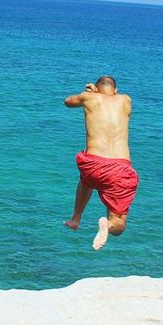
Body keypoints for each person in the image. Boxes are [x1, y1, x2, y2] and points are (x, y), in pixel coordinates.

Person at [63, 76, 139, 250]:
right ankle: (108, 225)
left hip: (93, 165)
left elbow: (67, 101)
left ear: (96, 88)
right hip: (119, 168)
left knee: (86, 179)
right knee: (119, 224)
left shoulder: (89, 97)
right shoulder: (126, 100)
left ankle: (76, 218)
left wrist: (89, 94)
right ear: (116, 90)